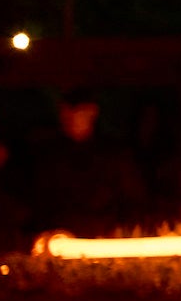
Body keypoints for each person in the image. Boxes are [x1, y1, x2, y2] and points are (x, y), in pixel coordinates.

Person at [28, 91, 147, 236]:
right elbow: (41, 202)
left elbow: (132, 200)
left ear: (92, 112)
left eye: (80, 113)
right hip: (61, 238)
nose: (73, 118)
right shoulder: (49, 156)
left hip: (105, 237)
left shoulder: (115, 155)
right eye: (67, 113)